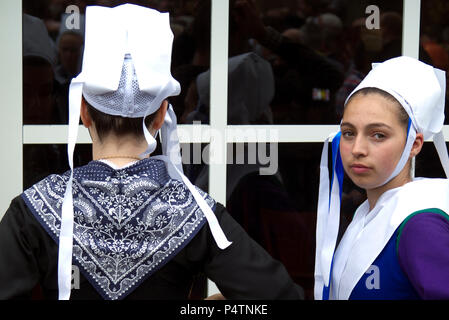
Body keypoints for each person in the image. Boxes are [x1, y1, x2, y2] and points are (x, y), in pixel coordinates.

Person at [0, 4, 303, 300]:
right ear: (161, 116)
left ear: (83, 112)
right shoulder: (194, 213)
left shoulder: (33, 208)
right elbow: (280, 294)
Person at [314, 56, 449, 300]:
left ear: (414, 144)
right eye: (348, 133)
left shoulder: (419, 225)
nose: (357, 148)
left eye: (377, 135)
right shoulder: (365, 213)